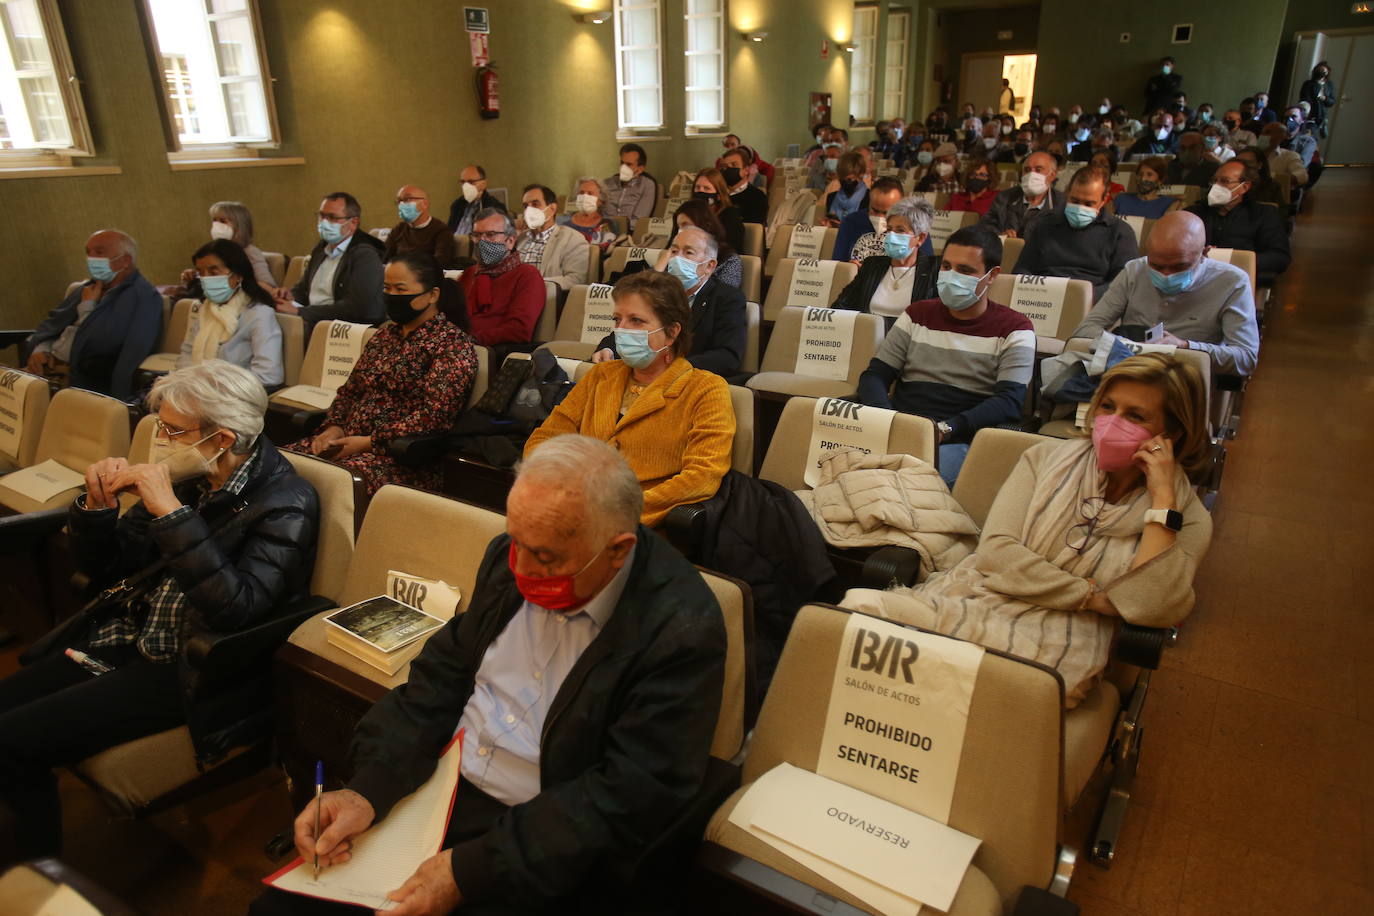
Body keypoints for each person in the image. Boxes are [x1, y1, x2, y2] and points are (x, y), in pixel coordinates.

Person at [253, 435, 726, 916]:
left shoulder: (680, 629)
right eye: (516, 541)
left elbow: (630, 794)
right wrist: (370, 787)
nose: (519, 568)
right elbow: (439, 679)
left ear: (618, 550)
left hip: (545, 832)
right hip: (438, 785)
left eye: (545, 558)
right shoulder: (511, 556)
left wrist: (473, 870)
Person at [0, 360, 318, 860]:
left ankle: (34, 875)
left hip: (187, 667)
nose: (161, 440)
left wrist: (171, 515)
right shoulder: (192, 476)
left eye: (172, 430)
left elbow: (239, 609)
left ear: (222, 439)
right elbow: (108, 572)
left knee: (13, 743)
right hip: (126, 633)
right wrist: (98, 510)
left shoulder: (286, 502)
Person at [847, 352, 1212, 707]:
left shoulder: (1187, 516)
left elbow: (1147, 604)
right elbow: (997, 553)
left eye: (1135, 416)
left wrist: (1162, 502)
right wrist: (1092, 597)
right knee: (858, 613)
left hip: (1063, 640)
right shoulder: (1043, 460)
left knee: (990, 691)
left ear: (1173, 433)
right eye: (1107, 406)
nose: (1112, 422)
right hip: (977, 597)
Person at [526, 271, 734, 527]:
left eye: (636, 321)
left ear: (671, 333)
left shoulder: (706, 389)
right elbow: (544, 441)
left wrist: (616, 511)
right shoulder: (601, 375)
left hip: (643, 525)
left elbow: (702, 477)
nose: (621, 330)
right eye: (617, 319)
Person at [857, 224, 1034, 487]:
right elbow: (874, 376)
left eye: (965, 271)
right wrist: (888, 420)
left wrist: (945, 429)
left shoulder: (1016, 329)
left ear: (992, 275)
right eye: (947, 267)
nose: (951, 276)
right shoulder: (917, 314)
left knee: (897, 484)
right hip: (901, 427)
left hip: (961, 439)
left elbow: (1009, 401)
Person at [290, 251, 479, 495]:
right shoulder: (384, 335)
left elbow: (434, 417)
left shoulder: (451, 344)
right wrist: (334, 428)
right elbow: (351, 391)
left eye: (400, 290)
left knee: (331, 483)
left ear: (432, 294)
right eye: (387, 288)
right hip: (347, 442)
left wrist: (370, 442)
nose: (391, 296)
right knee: (281, 465)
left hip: (400, 458)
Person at [1073, 211, 1259, 377]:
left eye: (1180, 266)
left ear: (1205, 252)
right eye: (1156, 266)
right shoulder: (1135, 270)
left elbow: (1246, 358)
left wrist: (1186, 348)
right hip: (1126, 367)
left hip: (1186, 375)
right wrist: (1126, 346)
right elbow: (1086, 330)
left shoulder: (1232, 282)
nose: (1166, 275)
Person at [26, 230, 162, 401]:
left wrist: (87, 308)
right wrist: (41, 349)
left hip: (82, 383)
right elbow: (52, 325)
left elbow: (123, 353)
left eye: (99, 252)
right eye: (88, 252)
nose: (91, 259)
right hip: (46, 367)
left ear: (126, 260)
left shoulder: (144, 297)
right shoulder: (86, 288)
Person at [593, 227, 745, 378]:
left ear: (709, 266)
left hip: (690, 380)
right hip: (642, 375)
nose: (677, 258)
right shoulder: (658, 292)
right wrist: (608, 349)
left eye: (688, 252)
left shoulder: (727, 298)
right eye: (674, 251)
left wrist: (671, 368)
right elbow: (629, 324)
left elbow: (727, 356)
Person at [1013, 167, 1139, 301]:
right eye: (1075, 201)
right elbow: (1023, 269)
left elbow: (1123, 283)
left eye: (1088, 204)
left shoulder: (1120, 232)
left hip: (1092, 301)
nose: (1080, 207)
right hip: (1043, 298)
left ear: (1104, 200)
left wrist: (1084, 297)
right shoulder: (1046, 224)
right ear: (1067, 193)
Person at [178, 240, 284, 388]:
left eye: (213, 272)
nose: (206, 279)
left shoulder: (259, 314)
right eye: (201, 273)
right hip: (197, 390)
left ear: (238, 276)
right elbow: (187, 353)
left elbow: (268, 374)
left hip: (233, 397)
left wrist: (216, 387)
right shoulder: (205, 310)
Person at [278, 192, 385, 327]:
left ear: (353, 222)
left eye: (332, 218)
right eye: (322, 216)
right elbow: (302, 289)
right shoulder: (321, 248)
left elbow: (355, 308)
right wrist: (288, 296)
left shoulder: (365, 255)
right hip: (313, 318)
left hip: (340, 326)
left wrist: (301, 311)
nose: (324, 222)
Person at [832, 195, 939, 327]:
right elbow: (840, 306)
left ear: (921, 238)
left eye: (900, 230)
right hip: (866, 337)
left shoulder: (933, 270)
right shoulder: (872, 265)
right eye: (889, 229)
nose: (891, 236)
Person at [1185, 160, 1291, 284]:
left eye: (1224, 181)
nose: (1215, 186)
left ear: (1244, 187)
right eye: (1214, 180)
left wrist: (1235, 260)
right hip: (1195, 281)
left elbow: (1280, 257)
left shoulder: (1263, 215)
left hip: (1239, 281)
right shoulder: (1193, 213)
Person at [454, 209, 547, 347]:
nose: (482, 241)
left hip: (490, 353)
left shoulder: (527, 275)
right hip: (457, 348)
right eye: (477, 235)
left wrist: (469, 341)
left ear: (510, 241)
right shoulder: (469, 274)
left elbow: (518, 331)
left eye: (490, 235)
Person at [514, 184, 589, 293]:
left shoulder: (572, 239)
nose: (529, 210)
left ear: (552, 209)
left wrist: (534, 284)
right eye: (526, 206)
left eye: (535, 204)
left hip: (545, 298)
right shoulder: (520, 238)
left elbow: (576, 280)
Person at [190, 201, 277, 291]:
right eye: (214, 220)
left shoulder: (250, 252)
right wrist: (196, 275)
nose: (216, 225)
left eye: (223, 221)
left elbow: (267, 284)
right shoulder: (214, 251)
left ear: (239, 226)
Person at [659, 199, 742, 289]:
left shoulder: (729, 260)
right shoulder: (673, 255)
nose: (681, 231)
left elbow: (725, 296)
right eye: (679, 227)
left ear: (704, 224)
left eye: (686, 225)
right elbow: (654, 291)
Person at [982, 151, 1064, 239]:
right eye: (1027, 170)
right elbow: (986, 227)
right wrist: (1000, 235)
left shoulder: (1062, 204)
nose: (1031, 174)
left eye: (1038, 170)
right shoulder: (1004, 197)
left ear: (1052, 175)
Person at [833, 176, 904, 262]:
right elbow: (838, 262)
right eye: (875, 210)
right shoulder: (851, 222)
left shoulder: (910, 228)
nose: (880, 217)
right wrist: (848, 267)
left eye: (886, 213)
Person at [385, 185, 457, 268]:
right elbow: (385, 256)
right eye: (399, 201)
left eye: (407, 199)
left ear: (425, 204)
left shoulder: (441, 231)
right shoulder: (399, 229)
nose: (401, 204)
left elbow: (440, 262)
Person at [690, 167, 745, 254]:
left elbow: (732, 249)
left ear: (719, 195)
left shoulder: (730, 215)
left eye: (706, 188)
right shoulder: (687, 213)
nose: (700, 191)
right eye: (697, 187)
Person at [446, 165, 505, 239]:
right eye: (463, 182)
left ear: (483, 184)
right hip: (455, 246)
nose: (466, 186)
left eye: (471, 182)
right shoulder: (457, 205)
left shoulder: (494, 207)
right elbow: (448, 232)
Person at [1112, 156, 1180, 220]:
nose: (1143, 179)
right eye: (1140, 174)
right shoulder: (1121, 199)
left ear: (1160, 181)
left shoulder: (1169, 204)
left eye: (1149, 175)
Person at [603, 142, 659, 220]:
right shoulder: (608, 183)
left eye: (629, 164)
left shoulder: (647, 185)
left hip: (630, 230)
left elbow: (639, 220)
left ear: (640, 169)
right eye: (622, 163)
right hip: (605, 228)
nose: (623, 167)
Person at [558, 177, 617, 248]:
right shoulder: (561, 220)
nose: (584, 196)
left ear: (600, 200)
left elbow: (602, 252)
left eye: (590, 193)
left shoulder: (607, 224)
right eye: (581, 193)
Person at [719, 146, 768, 225]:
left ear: (746, 170)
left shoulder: (757, 197)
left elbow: (751, 230)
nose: (728, 169)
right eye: (724, 166)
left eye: (734, 165)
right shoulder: (716, 194)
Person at [824, 151, 871, 227]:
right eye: (842, 179)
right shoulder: (831, 197)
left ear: (861, 176)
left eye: (849, 179)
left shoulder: (869, 198)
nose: (845, 182)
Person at [1259, 122, 1309, 189]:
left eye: (1267, 132)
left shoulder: (1289, 156)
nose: (1262, 136)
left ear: (1281, 137)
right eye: (1262, 133)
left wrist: (1276, 179)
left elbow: (1302, 176)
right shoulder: (1250, 153)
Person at [1299, 61, 1336, 134]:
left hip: (1322, 116)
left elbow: (1332, 101)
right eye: (1320, 71)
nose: (1322, 73)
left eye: (1324, 71)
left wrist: (1325, 98)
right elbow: (1305, 99)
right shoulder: (1308, 84)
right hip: (1310, 115)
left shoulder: (1329, 85)